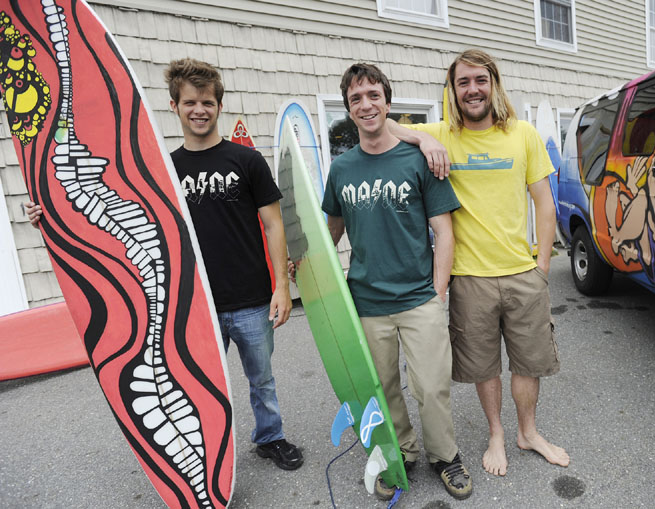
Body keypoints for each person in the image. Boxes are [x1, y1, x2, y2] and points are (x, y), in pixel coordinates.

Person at [28, 58, 303, 471]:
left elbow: (274, 224)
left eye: (208, 102)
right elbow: (110, 215)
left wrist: (282, 287)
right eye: (190, 102)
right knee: (197, 384)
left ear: (219, 106)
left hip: (250, 298)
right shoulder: (162, 171)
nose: (200, 110)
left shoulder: (246, 161)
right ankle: (209, 455)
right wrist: (49, 215)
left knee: (261, 379)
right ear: (174, 106)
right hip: (192, 303)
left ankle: (270, 437)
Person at [388, 49, 570, 476]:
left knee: (529, 362)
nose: (472, 89)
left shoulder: (523, 134)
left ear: (494, 84)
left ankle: (528, 431)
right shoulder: (443, 133)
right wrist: (425, 138)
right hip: (469, 278)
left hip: (523, 274)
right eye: (463, 82)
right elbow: (388, 126)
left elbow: (545, 204)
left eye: (480, 80)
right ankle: (496, 435)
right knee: (484, 366)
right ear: (452, 90)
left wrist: (541, 268)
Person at [321, 63, 472, 500]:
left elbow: (444, 230)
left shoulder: (418, 158)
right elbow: (331, 230)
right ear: (349, 109)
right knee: (383, 387)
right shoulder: (342, 169)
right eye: (356, 99)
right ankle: (399, 452)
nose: (366, 105)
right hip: (366, 302)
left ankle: (445, 456)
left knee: (431, 386)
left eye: (373, 95)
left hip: (419, 296)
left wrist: (438, 293)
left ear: (387, 101)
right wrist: (312, 269)